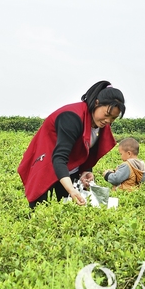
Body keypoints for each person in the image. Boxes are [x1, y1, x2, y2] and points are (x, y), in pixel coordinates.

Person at [17, 80, 126, 209]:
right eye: (106, 115)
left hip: (70, 169)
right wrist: (71, 190)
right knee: (39, 213)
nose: (108, 121)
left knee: (68, 211)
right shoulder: (72, 118)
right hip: (47, 164)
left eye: (113, 118)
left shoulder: (99, 124)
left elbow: (87, 149)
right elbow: (59, 158)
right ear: (96, 103)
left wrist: (86, 170)